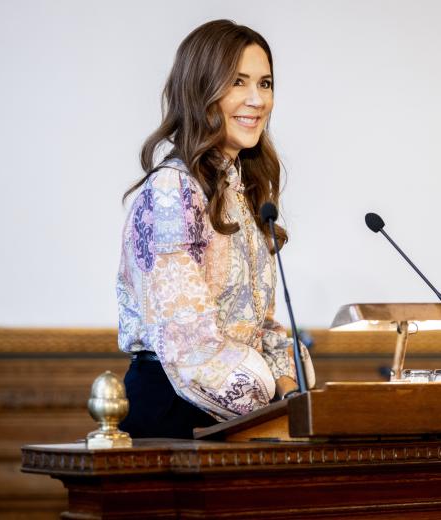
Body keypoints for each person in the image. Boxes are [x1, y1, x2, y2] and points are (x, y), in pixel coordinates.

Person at [116, 19, 315, 439]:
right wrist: (273, 401)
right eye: (238, 82)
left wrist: (293, 390)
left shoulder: (244, 188)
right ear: (200, 90)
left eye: (265, 83)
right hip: (175, 406)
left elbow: (259, 324)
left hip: (239, 409)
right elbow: (187, 345)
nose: (257, 99)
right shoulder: (173, 190)